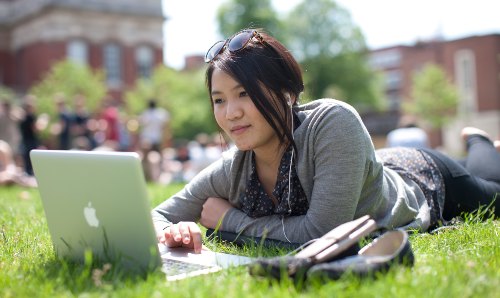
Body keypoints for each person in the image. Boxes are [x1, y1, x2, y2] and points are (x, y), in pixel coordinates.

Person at [152, 28, 500, 254]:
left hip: (422, 178)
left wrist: (229, 221)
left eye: (244, 93)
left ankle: (481, 142)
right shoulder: (235, 168)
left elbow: (322, 233)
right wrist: (175, 230)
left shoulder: (334, 122)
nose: (231, 113)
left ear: (287, 93)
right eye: (219, 100)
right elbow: (155, 215)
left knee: (492, 189)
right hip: (370, 166)